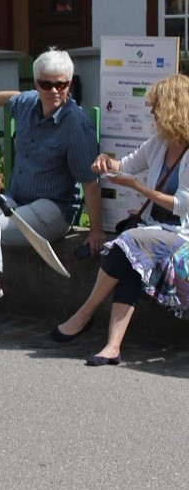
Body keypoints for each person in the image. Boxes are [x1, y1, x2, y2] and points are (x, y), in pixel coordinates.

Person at [0, 47, 105, 338]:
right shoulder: (29, 103)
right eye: (46, 84)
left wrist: (97, 230)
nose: (54, 90)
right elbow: (10, 97)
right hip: (16, 200)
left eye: (61, 84)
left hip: (53, 210)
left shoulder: (76, 126)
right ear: (36, 83)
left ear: (69, 83)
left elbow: (90, 183)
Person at [50, 74, 189, 365]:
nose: (151, 113)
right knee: (129, 260)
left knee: (128, 241)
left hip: (181, 234)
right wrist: (106, 162)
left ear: (173, 108)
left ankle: (84, 314)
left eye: (156, 107)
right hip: (154, 230)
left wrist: (139, 189)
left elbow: (181, 207)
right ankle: (112, 347)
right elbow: (124, 166)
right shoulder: (160, 143)